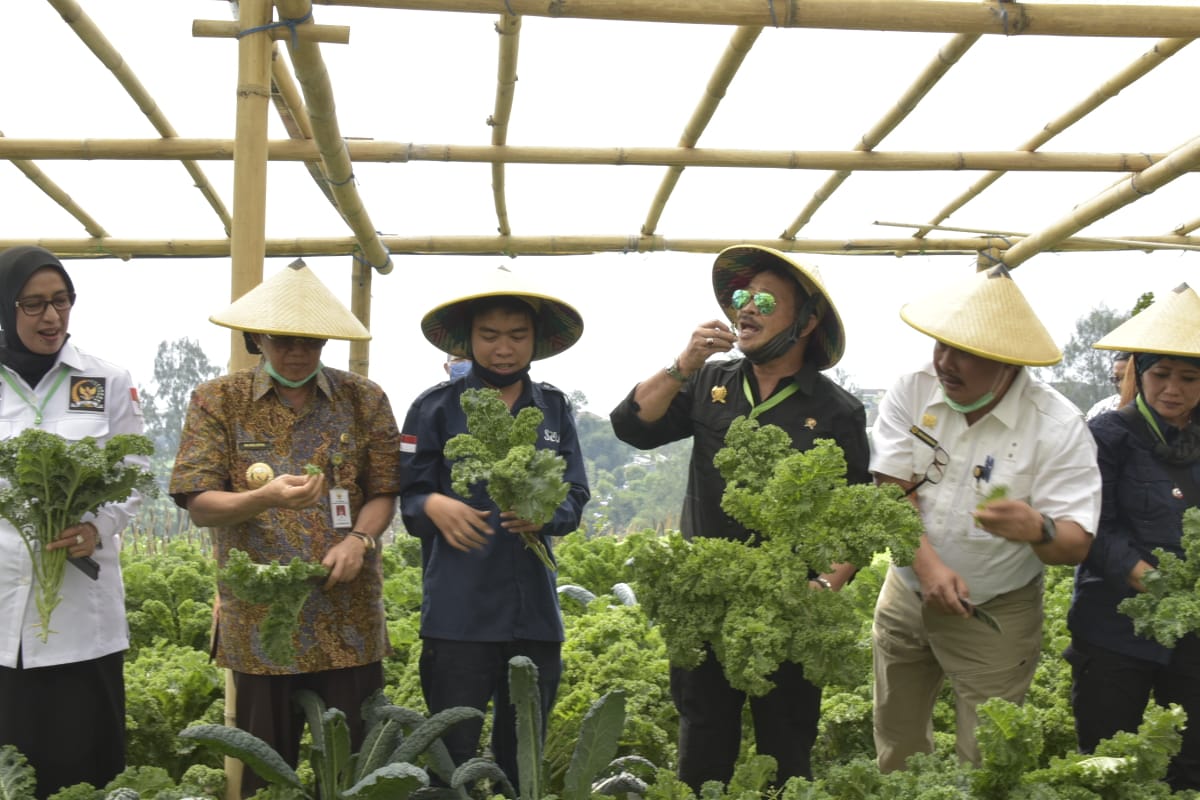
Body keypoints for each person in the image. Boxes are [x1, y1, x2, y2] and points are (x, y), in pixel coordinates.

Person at [610, 244, 870, 789]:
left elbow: (857, 517)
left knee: (786, 748)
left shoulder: (837, 410)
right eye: (740, 298)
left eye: (764, 301)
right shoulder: (709, 383)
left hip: (790, 606)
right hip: (706, 604)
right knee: (703, 745)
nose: (745, 310)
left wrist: (827, 583)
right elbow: (632, 426)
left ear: (807, 320)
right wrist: (683, 363)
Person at [169, 261, 400, 796]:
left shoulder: (363, 399)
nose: (297, 353)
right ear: (258, 338)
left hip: (348, 615)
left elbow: (385, 490)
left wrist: (358, 540)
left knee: (354, 763)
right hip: (260, 620)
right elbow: (198, 502)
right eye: (283, 341)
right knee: (264, 769)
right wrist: (263, 498)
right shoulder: (217, 401)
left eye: (311, 341)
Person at [869, 264, 1102, 772]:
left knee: (989, 758)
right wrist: (927, 569)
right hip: (907, 593)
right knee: (897, 736)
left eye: (966, 353)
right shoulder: (912, 391)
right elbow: (891, 489)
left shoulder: (1056, 427)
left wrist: (1037, 528)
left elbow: (1076, 542)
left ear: (1007, 362)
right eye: (941, 345)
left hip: (997, 610)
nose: (945, 362)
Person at [399, 268, 589, 788]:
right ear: (469, 340)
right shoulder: (433, 407)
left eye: (516, 335)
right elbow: (408, 497)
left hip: (534, 615)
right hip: (459, 613)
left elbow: (575, 496)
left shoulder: (553, 407)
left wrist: (547, 513)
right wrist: (435, 504)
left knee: (522, 757)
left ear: (534, 341)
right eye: (489, 335)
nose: (503, 348)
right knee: (450, 756)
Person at [0, 246, 146, 797]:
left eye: (61, 301)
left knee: (81, 763)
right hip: (1, 606)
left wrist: (99, 527)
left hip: (81, 618)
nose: (51, 317)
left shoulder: (106, 380)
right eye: (33, 305)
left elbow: (133, 472)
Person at [1066, 283, 1200, 791]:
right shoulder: (1108, 435)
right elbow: (1093, 522)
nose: (1174, 389)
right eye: (1161, 374)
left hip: (1193, 634)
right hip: (1112, 624)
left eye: (1189, 378)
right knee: (1106, 757)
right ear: (1139, 373)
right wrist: (1143, 576)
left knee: (1188, 759)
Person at [1085, 351, 1132, 420]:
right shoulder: (1100, 410)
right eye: (1116, 379)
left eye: (1126, 378)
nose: (1119, 385)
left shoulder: (1151, 410)